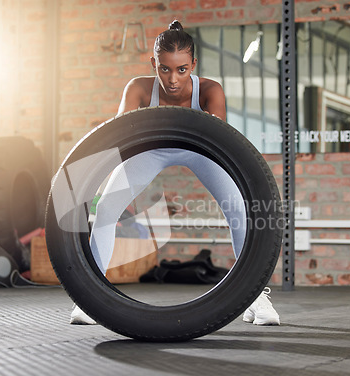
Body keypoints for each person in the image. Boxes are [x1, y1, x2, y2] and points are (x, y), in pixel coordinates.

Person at [70, 20, 280, 326]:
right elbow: (119, 139)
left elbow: (221, 146)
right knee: (105, 210)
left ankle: (256, 298)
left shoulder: (210, 91)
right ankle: (91, 298)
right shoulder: (138, 88)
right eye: (165, 69)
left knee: (240, 211)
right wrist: (101, 183)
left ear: (193, 64)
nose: (173, 79)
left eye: (182, 70)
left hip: (200, 151)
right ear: (154, 63)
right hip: (150, 150)